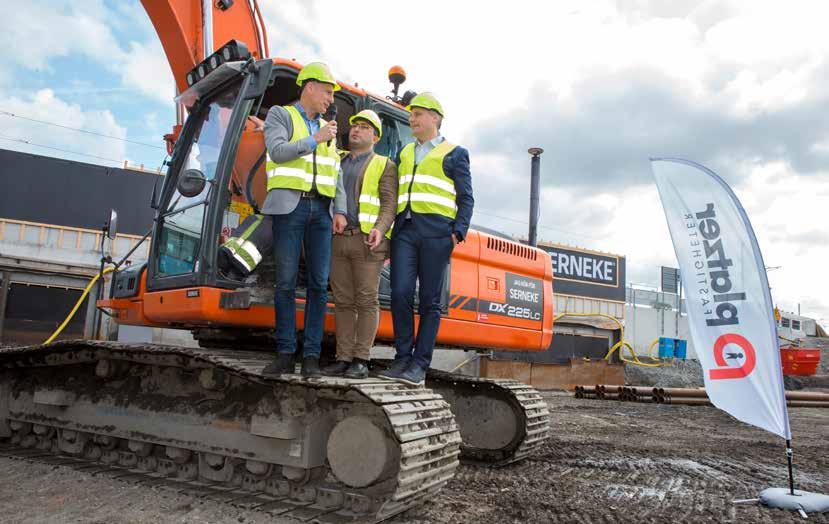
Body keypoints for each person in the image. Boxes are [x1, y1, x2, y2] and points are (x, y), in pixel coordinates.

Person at [378, 93, 474, 386]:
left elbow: (466, 197)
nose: (412, 119)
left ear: (435, 117)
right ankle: (403, 358)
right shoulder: (405, 152)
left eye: (418, 114)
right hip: (405, 230)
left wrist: (458, 231)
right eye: (411, 115)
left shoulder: (455, 153)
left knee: (430, 302)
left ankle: (420, 365)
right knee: (400, 293)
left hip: (437, 233)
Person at [260, 62, 346, 377]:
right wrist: (314, 139)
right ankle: (285, 353)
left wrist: (340, 209)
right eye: (326, 92)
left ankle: (310, 356)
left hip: (321, 212)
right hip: (289, 209)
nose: (329, 99)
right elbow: (278, 151)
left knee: (319, 285)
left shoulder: (329, 129)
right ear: (309, 87)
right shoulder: (281, 115)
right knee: (284, 282)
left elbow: (334, 172)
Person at [322, 110, 398, 379]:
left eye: (364, 127)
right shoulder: (337, 159)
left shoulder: (384, 165)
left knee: (366, 300)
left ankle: (361, 359)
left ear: (375, 137)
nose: (356, 130)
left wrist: (380, 229)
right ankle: (343, 358)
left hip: (367, 241)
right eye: (354, 126)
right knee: (342, 301)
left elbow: (389, 204)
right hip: (337, 240)